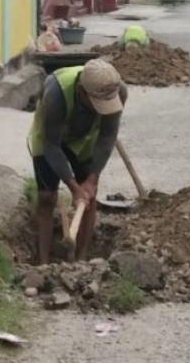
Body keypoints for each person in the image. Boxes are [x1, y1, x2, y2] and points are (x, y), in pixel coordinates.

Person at [27, 59, 128, 264]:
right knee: (47, 197)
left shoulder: (118, 92)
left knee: (90, 196)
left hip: (85, 138)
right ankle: (43, 264)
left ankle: (82, 260)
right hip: (50, 136)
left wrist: (91, 180)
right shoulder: (55, 94)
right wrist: (73, 187)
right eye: (98, 104)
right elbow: (52, 145)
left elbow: (107, 137)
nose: (103, 109)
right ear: (82, 92)